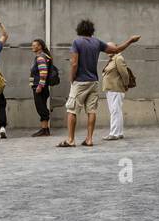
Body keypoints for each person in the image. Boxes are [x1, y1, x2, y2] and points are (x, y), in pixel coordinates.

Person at [60, 19, 140, 148]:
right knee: (91, 110)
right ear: (92, 30)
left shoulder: (77, 42)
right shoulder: (97, 42)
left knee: (72, 110)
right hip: (94, 81)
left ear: (79, 30)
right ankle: (89, 139)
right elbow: (116, 49)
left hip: (80, 81)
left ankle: (70, 140)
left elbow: (74, 63)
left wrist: (72, 78)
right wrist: (130, 40)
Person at [100, 49, 134, 141]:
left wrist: (126, 85)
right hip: (111, 89)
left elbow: (125, 74)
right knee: (116, 111)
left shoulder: (118, 58)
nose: (107, 50)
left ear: (115, 48)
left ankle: (114, 134)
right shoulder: (113, 59)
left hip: (116, 89)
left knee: (115, 111)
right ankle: (119, 133)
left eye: (110, 48)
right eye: (106, 49)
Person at [29, 38, 55, 137]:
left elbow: (43, 73)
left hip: (39, 87)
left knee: (41, 108)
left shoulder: (40, 57)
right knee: (42, 107)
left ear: (40, 46)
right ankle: (45, 129)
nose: (32, 47)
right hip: (42, 86)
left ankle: (45, 129)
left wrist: (40, 86)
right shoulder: (44, 56)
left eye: (34, 45)